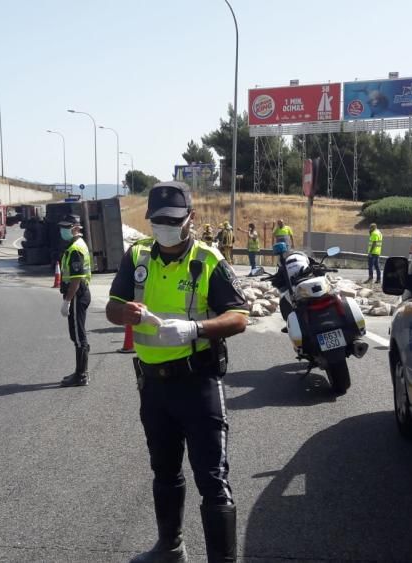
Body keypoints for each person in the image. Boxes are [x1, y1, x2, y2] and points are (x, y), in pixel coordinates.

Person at [107, 181, 248, 563]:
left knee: (212, 480)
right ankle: (170, 547)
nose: (164, 227)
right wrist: (126, 313)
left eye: (172, 220)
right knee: (164, 472)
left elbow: (239, 317)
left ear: (191, 219)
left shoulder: (208, 260)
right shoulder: (136, 257)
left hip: (197, 383)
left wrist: (195, 329)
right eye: (157, 220)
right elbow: (112, 307)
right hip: (153, 386)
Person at [58, 214, 93, 387]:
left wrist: (67, 301)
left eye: (66, 228)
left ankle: (81, 375)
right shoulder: (74, 246)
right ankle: (80, 372)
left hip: (78, 294)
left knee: (79, 335)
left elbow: (76, 279)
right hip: (78, 294)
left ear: (76, 228)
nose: (62, 231)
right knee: (77, 334)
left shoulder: (76, 249)